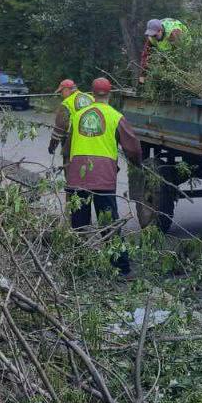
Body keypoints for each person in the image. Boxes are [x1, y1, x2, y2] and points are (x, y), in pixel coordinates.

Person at [64, 78, 142, 274]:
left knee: (78, 225)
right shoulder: (116, 117)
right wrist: (137, 164)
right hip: (103, 178)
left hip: (77, 179)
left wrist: (68, 170)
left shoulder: (78, 115)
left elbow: (67, 147)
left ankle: (77, 267)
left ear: (91, 93)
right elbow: (132, 147)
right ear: (110, 94)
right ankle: (122, 269)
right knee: (109, 224)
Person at [48, 79, 93, 156]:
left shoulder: (67, 103)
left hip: (74, 140)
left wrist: (53, 144)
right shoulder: (90, 98)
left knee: (71, 166)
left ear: (66, 90)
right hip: (93, 138)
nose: (61, 95)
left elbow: (60, 126)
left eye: (61, 92)